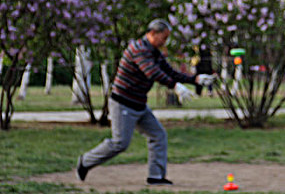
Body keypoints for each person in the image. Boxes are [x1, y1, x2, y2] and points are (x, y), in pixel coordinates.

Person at [76, 19, 215, 185]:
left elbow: (169, 72)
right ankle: (85, 162)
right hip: (123, 103)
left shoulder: (155, 51)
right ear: (153, 33)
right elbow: (152, 72)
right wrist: (175, 86)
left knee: (158, 135)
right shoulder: (139, 49)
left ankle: (155, 177)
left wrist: (195, 79)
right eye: (163, 37)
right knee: (120, 143)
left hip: (139, 104)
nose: (165, 41)